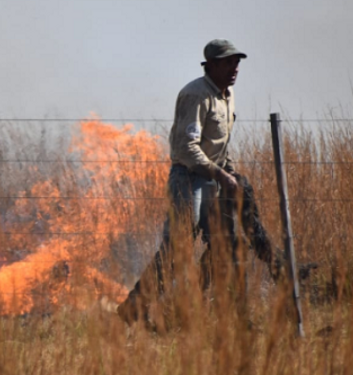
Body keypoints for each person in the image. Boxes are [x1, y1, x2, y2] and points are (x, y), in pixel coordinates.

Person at [117, 39, 284, 326]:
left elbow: (220, 145)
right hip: (189, 180)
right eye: (229, 62)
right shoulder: (195, 94)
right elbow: (186, 148)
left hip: (214, 181)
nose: (235, 68)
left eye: (237, 62)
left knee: (227, 246)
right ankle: (134, 309)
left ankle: (228, 318)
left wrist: (229, 172)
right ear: (212, 65)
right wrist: (221, 175)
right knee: (179, 247)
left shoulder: (227, 95)